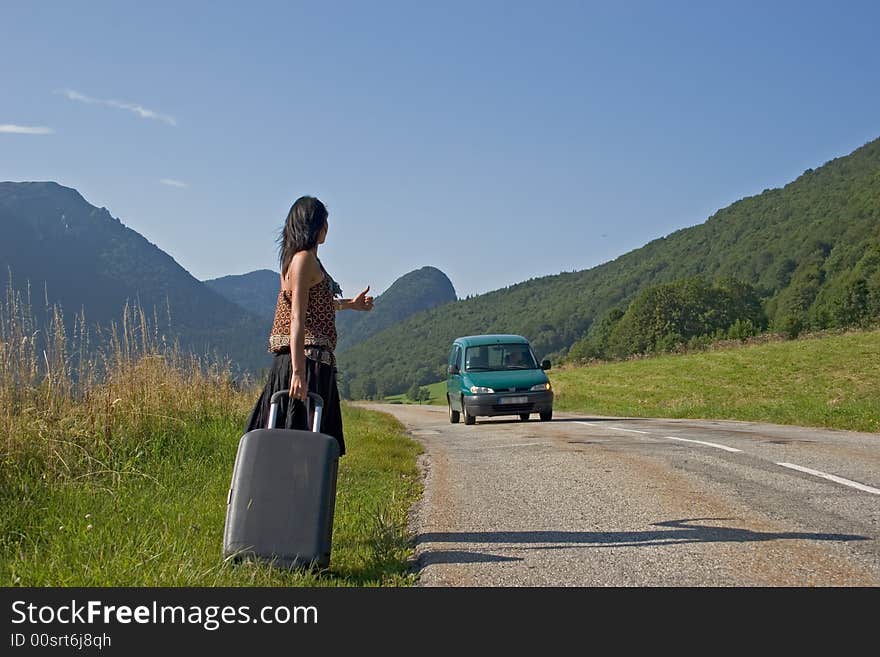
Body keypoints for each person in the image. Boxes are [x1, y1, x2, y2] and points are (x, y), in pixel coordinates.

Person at [244, 196, 374, 456]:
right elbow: (297, 317)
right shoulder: (303, 259)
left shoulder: (300, 259)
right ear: (315, 226)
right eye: (324, 222)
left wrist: (351, 304)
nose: (327, 228)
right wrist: (299, 372)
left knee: (301, 445)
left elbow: (316, 306)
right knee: (300, 445)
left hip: (309, 363)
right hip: (306, 363)